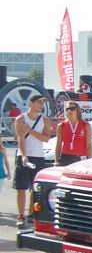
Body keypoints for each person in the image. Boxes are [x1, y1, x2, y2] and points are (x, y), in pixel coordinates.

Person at [13, 95, 51, 228]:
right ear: (31, 103)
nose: (41, 105)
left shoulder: (44, 120)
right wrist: (24, 155)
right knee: (21, 187)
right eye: (39, 102)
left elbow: (46, 138)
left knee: (35, 188)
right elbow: (20, 138)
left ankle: (30, 214)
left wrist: (30, 130)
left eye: (42, 103)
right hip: (23, 155)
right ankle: (21, 215)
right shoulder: (21, 118)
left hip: (38, 156)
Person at [55, 102, 92, 166]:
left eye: (72, 108)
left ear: (77, 110)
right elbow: (58, 145)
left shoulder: (85, 125)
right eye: (67, 109)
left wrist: (90, 161)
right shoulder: (61, 125)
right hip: (65, 157)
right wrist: (56, 161)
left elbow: (89, 145)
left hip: (80, 157)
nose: (69, 111)